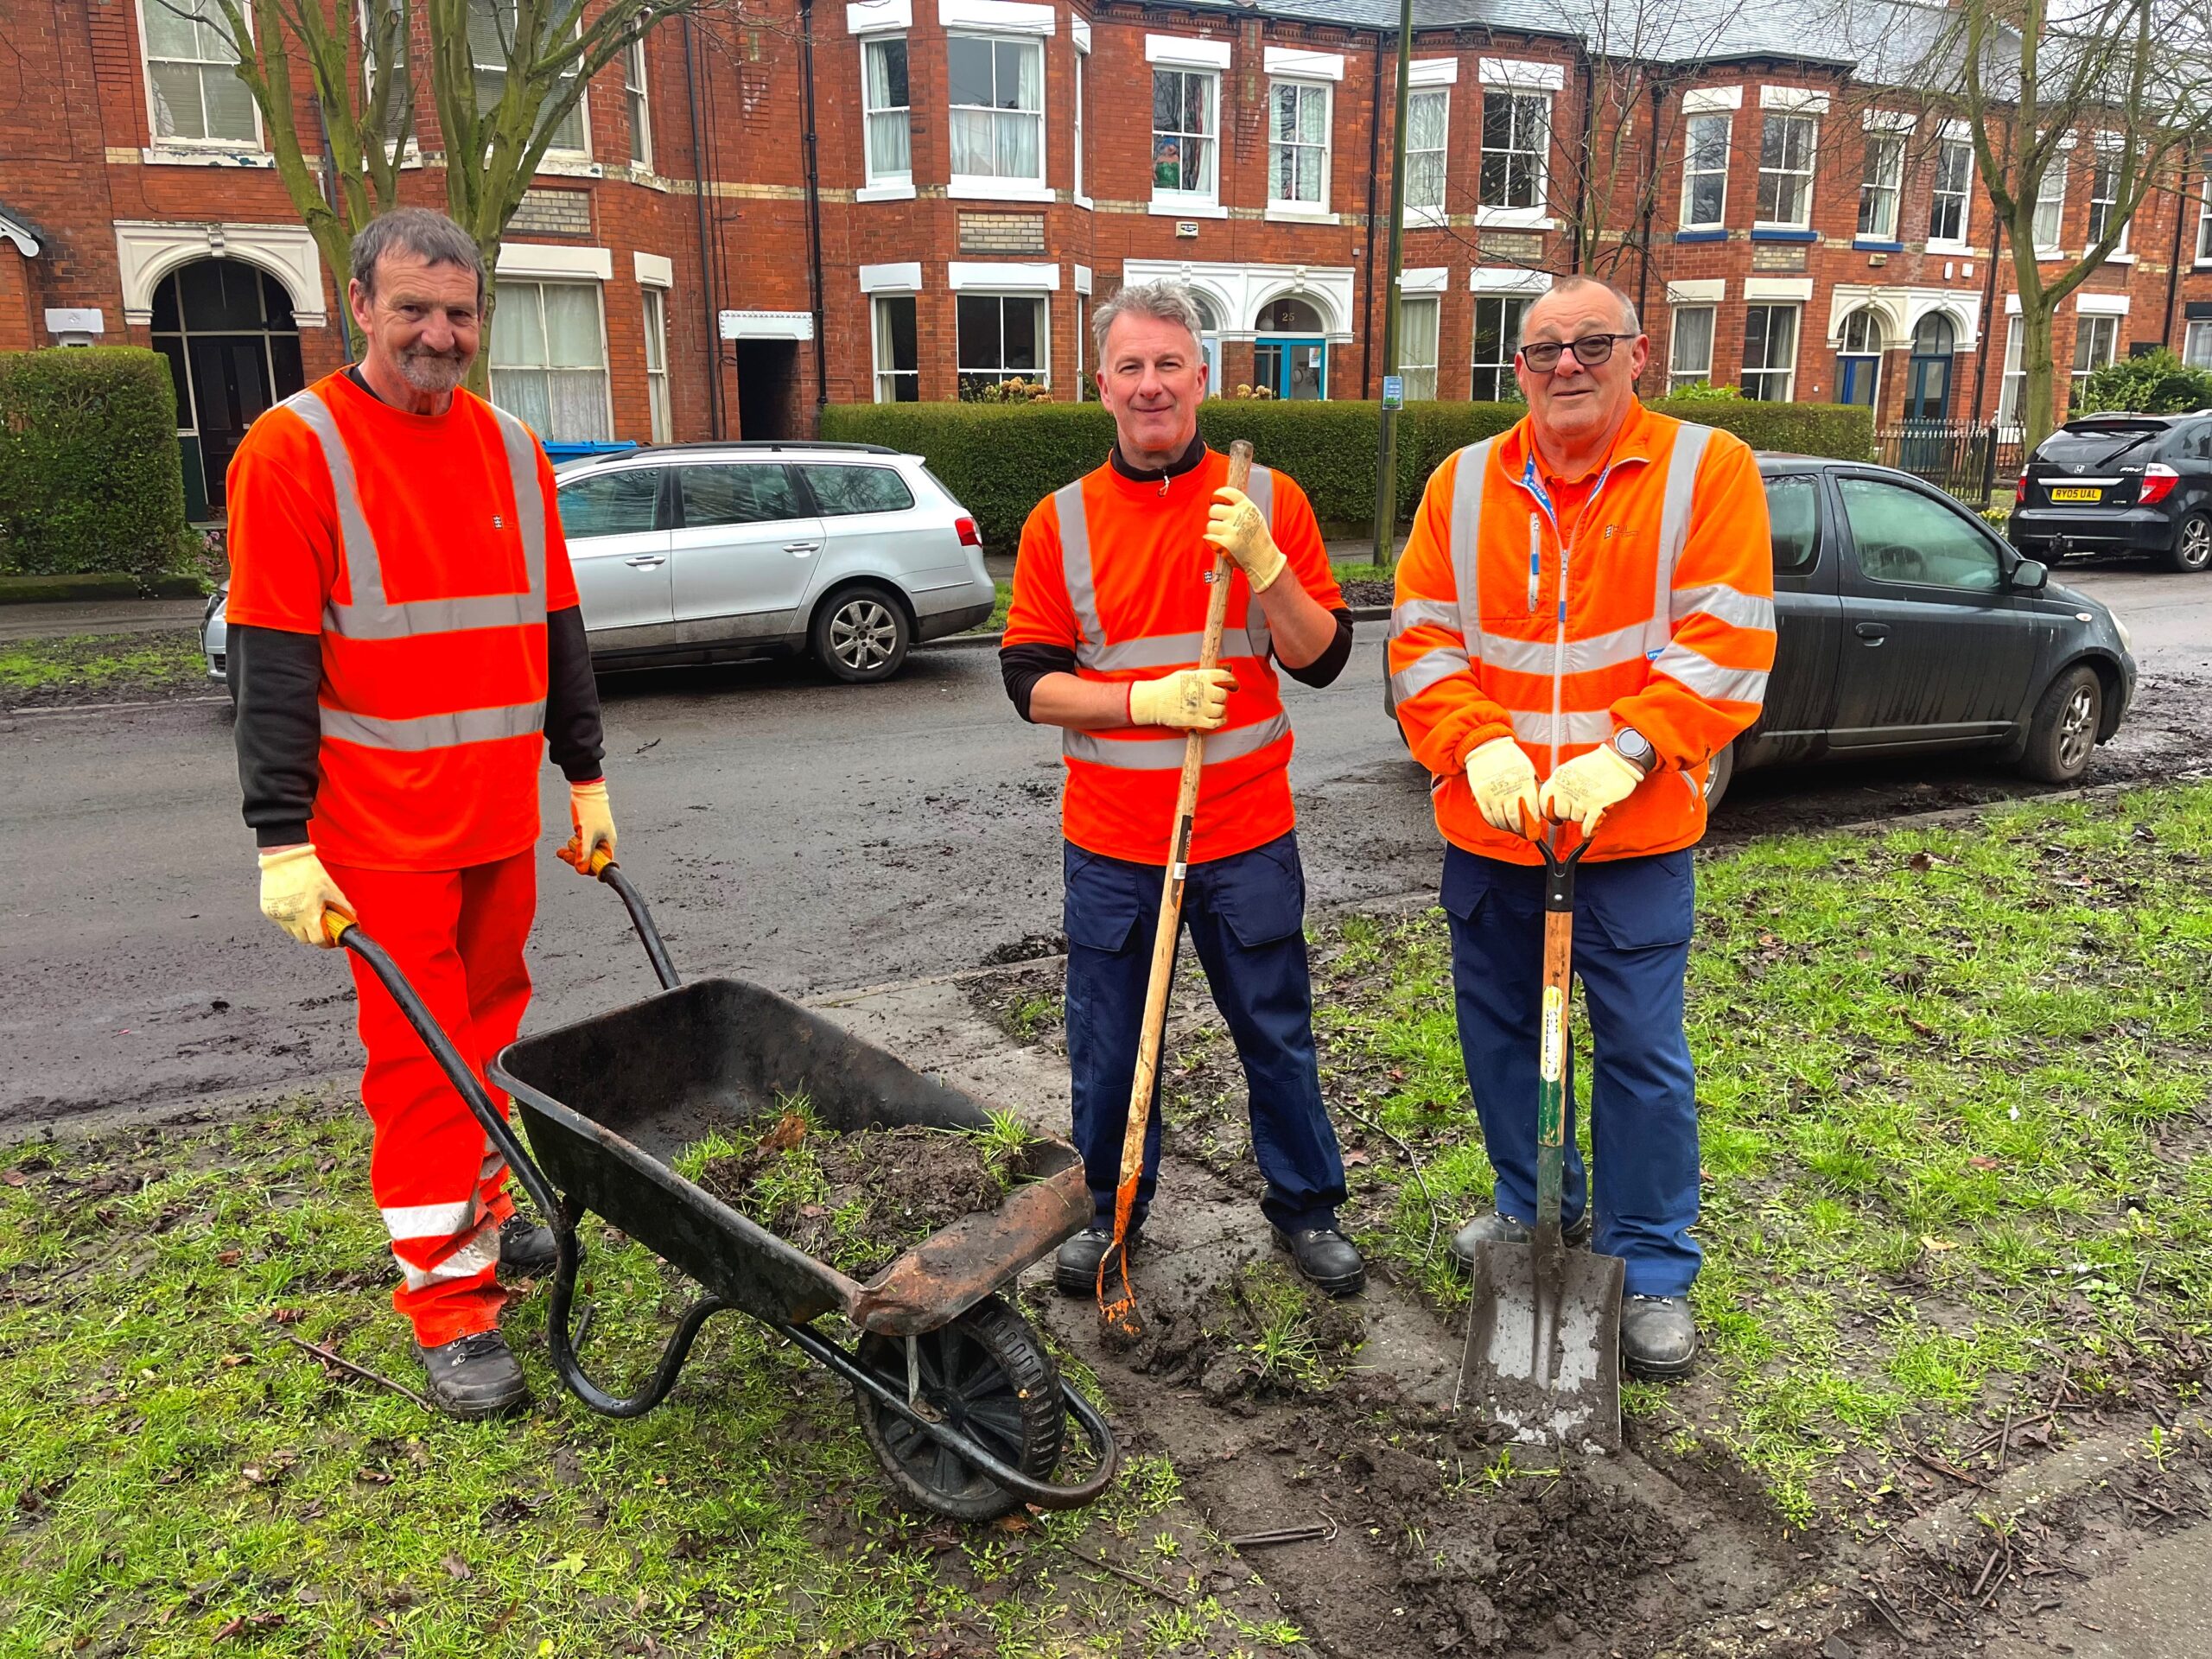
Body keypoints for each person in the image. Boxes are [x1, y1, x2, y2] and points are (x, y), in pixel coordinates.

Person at [225, 207, 618, 1417]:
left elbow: (556, 628)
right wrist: (281, 838)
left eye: (458, 313)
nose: (439, 335)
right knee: (419, 1060)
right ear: (359, 305)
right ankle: (448, 1303)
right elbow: (275, 664)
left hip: (497, 819)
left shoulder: (510, 446)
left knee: (491, 1032)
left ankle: (488, 1211)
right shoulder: (293, 453)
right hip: (379, 836)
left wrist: (585, 774)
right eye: (414, 311)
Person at [1387, 275, 1776, 1376]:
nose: (1568, 364)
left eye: (1591, 343)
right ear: (1516, 367)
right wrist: (1476, 743)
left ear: (1637, 353)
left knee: (1640, 1054)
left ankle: (1649, 1264)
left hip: (1630, 838)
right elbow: (1419, 640)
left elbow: (1727, 637)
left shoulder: (1707, 470)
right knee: (1506, 1039)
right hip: (1495, 834)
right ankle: (1530, 1212)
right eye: (1544, 348)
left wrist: (1630, 751)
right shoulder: (1462, 486)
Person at [999, 280, 1365, 1298]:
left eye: (1169, 364)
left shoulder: (1268, 500)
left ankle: (1306, 1207)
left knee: (1275, 1036)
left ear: (1201, 376)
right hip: (1114, 843)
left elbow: (1323, 658)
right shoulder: (1060, 523)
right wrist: (1147, 701)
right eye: (1131, 367)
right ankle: (1110, 1212)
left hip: (1245, 833)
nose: (1151, 385)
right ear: (1102, 384)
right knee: (1112, 1051)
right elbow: (1029, 685)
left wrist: (1265, 565)